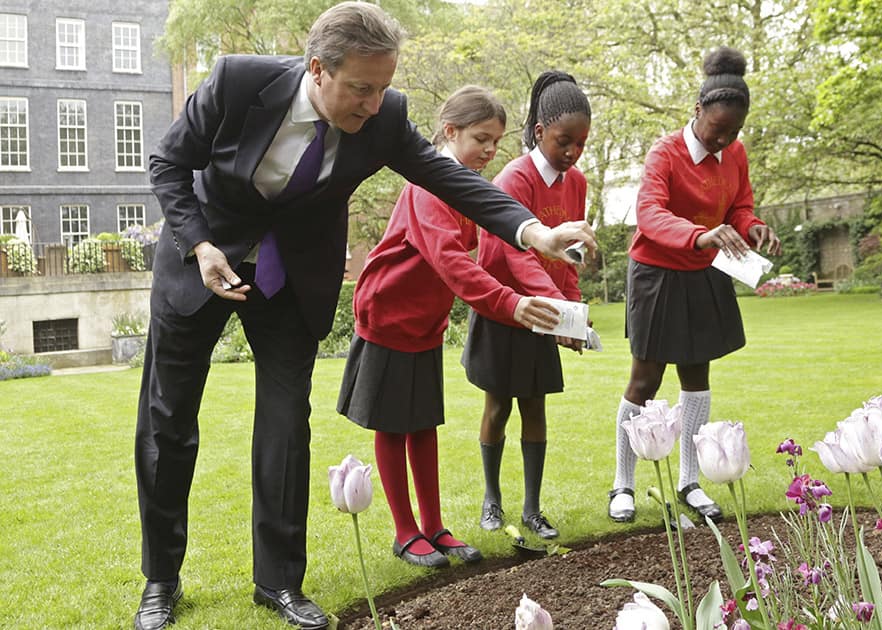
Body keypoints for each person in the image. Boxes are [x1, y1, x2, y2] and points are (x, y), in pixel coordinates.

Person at [132, 4, 596, 630]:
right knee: (168, 420)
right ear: (318, 70)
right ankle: (161, 580)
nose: (374, 104)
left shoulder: (384, 117)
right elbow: (167, 163)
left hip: (290, 281)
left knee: (285, 427)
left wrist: (532, 232)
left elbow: (448, 177)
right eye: (360, 88)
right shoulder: (237, 83)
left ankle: (279, 584)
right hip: (202, 257)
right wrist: (199, 244)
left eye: (383, 87)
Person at [337, 85, 564, 569]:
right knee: (393, 424)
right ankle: (405, 531)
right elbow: (451, 263)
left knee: (423, 425)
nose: (489, 149)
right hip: (388, 315)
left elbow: (505, 248)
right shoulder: (427, 187)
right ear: (449, 131)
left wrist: (557, 304)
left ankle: (435, 526)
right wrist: (510, 304)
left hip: (424, 322)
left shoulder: (471, 188)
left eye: (497, 142)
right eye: (481, 137)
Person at [606, 47, 781, 525]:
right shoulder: (665, 152)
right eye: (717, 130)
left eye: (733, 133)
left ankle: (690, 482)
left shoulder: (735, 153)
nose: (723, 140)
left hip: (705, 272)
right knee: (645, 379)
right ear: (697, 110)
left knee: (696, 378)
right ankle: (623, 484)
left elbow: (740, 205)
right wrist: (700, 234)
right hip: (658, 273)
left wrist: (753, 226)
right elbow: (651, 214)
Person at [464, 71, 591, 541]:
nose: (573, 152)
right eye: (564, 141)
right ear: (540, 132)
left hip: (548, 311)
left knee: (535, 408)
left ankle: (533, 509)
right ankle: (491, 500)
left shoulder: (575, 182)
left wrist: (572, 312)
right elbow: (512, 256)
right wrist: (559, 309)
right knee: (498, 407)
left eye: (581, 143)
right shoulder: (513, 178)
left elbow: (569, 254)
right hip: (507, 309)